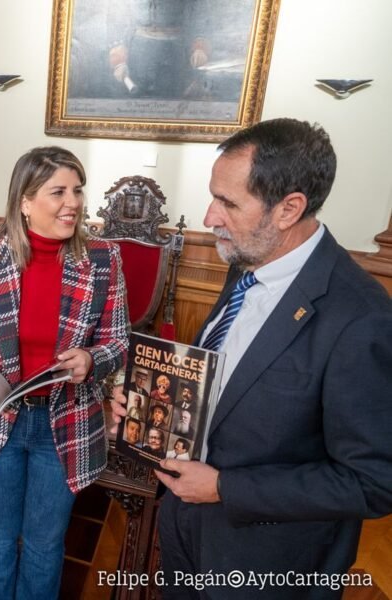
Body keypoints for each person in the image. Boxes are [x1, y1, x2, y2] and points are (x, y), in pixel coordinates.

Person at [111, 118, 392, 598]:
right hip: (185, 531)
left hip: (266, 566)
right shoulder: (245, 264)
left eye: (228, 202)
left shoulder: (360, 317)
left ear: (289, 209)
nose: (208, 217)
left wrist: (225, 489)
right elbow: (226, 391)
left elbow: (373, 481)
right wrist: (142, 399)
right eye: (213, 196)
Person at [0, 146, 130, 600]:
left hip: (64, 424)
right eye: (59, 192)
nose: (74, 202)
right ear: (25, 201)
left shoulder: (104, 259)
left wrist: (91, 361)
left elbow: (118, 341)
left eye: (78, 190)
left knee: (46, 546)